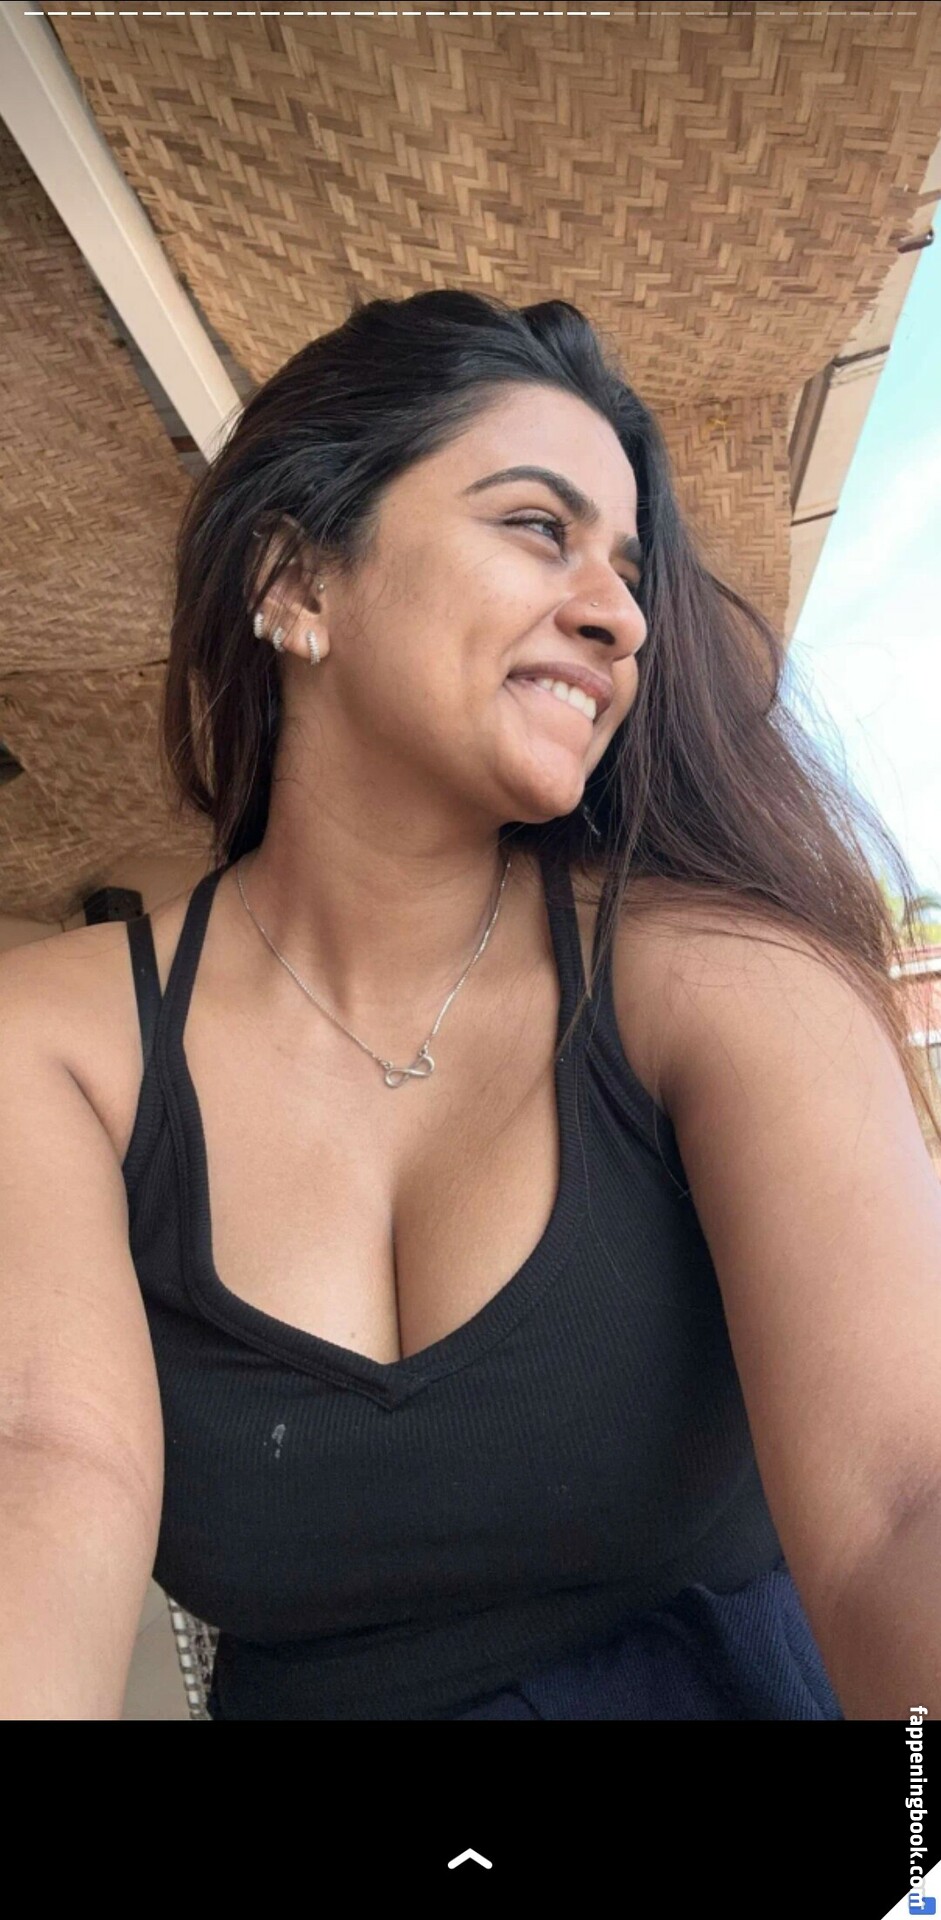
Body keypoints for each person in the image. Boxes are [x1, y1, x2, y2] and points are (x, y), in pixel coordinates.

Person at [2, 289, 940, 1721]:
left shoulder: (724, 980)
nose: (620, 613)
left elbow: (902, 1505)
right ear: (297, 583)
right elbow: (42, 1464)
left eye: (628, 568)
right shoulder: (55, 1042)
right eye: (537, 526)